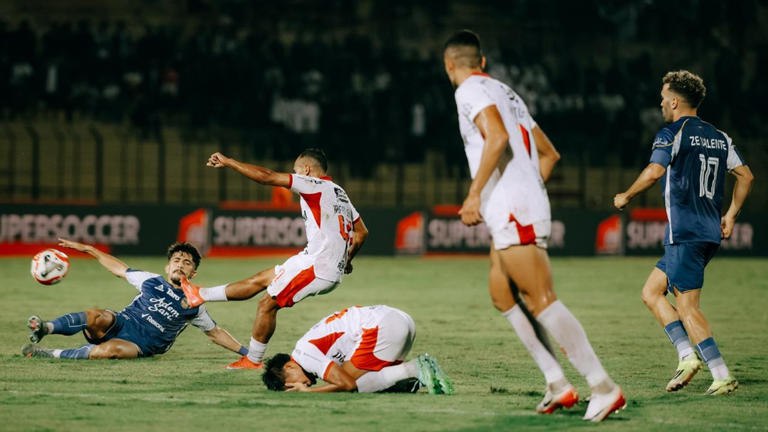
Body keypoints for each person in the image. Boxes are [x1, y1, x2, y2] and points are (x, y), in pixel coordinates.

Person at [443, 30, 624, 422]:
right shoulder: (507, 92)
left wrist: (478, 195)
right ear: (483, 62)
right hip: (514, 204)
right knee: (501, 293)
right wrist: (524, 188)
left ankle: (603, 386)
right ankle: (557, 383)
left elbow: (497, 139)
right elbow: (550, 153)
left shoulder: (468, 90)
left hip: (512, 207)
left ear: (449, 65)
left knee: (541, 297)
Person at [614, 70, 753, 395]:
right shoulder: (720, 137)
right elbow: (746, 177)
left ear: (675, 101)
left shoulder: (673, 132)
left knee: (688, 306)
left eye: (664, 99)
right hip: (708, 232)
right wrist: (730, 216)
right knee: (651, 292)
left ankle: (721, 374)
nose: (662, 104)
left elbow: (654, 171)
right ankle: (687, 356)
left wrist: (626, 195)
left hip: (685, 233)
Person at [181, 148, 368, 370]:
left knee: (267, 305)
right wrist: (346, 261)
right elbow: (362, 232)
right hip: (315, 260)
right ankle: (199, 295)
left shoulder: (312, 185)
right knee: (262, 279)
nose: (294, 173)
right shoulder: (339, 193)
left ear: (306, 170)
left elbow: (267, 177)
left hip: (318, 267)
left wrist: (229, 162)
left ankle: (253, 360)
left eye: (296, 170)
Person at [22, 239, 248, 360]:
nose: (180, 263)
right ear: (168, 266)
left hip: (141, 345)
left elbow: (215, 332)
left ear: (193, 273)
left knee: (113, 350)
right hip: (120, 323)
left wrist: (247, 353)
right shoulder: (150, 280)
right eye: (177, 259)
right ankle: (46, 327)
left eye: (187, 262)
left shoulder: (195, 302)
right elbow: (119, 268)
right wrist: (90, 249)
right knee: (96, 315)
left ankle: (50, 354)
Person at [261, 305, 453, 394]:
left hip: (382, 328)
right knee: (350, 374)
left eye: (290, 384)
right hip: (399, 320)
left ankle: (414, 369)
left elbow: (348, 384)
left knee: (348, 383)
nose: (301, 385)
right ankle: (408, 380)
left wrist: (308, 393)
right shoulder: (307, 348)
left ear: (290, 367)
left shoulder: (305, 355)